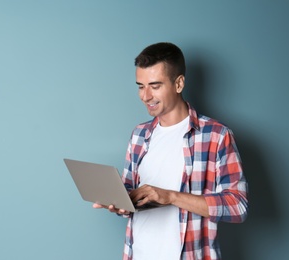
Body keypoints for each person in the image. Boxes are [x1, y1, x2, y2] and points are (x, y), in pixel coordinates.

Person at [93, 42, 248, 260]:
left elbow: (237, 206)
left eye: (155, 86)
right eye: (140, 86)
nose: (145, 96)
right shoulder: (139, 135)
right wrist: (120, 203)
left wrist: (171, 197)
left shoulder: (216, 135)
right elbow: (131, 196)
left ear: (179, 83)